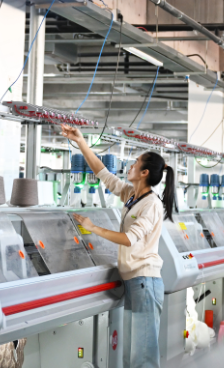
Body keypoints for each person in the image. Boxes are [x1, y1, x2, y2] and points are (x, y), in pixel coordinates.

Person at [59, 124, 176, 368]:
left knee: (143, 356)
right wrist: (81, 142)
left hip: (145, 282)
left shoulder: (151, 204)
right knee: (131, 352)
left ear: (144, 173)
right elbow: (102, 172)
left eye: (135, 163)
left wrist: (93, 228)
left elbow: (129, 238)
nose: (130, 166)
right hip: (133, 282)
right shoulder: (132, 195)